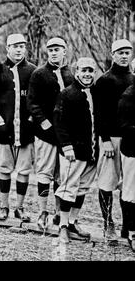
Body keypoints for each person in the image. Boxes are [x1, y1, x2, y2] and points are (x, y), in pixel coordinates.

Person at [0, 33, 36, 222]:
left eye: (22, 46)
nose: (19, 50)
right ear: (8, 48)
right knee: (4, 169)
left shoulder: (32, 71)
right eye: (15, 46)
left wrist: (31, 119)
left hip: (25, 132)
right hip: (4, 131)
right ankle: (3, 206)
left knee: (23, 171)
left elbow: (37, 100)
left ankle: (19, 207)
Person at [27, 37, 75, 230]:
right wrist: (44, 123)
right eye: (51, 50)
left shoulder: (71, 74)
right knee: (44, 172)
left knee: (61, 175)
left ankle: (57, 213)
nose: (54, 53)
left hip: (65, 136)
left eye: (58, 49)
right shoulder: (39, 74)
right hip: (45, 133)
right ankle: (42, 212)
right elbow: (32, 103)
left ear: (65, 51)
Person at [53, 57, 99, 243]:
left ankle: (72, 222)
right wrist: (67, 147)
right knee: (68, 188)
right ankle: (63, 226)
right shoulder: (67, 94)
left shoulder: (95, 93)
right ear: (77, 72)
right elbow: (59, 123)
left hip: (91, 151)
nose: (87, 74)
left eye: (91, 71)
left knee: (82, 188)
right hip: (73, 152)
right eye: (83, 70)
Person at [93, 39, 134, 241]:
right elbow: (99, 114)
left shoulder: (133, 79)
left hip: (130, 141)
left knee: (129, 186)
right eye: (120, 52)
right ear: (113, 54)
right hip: (110, 139)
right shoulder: (104, 81)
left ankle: (128, 226)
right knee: (108, 181)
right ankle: (108, 223)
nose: (124, 56)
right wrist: (105, 139)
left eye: (128, 52)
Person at [117, 75, 135, 252]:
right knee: (130, 192)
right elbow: (124, 125)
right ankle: (131, 232)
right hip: (132, 150)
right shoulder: (129, 96)